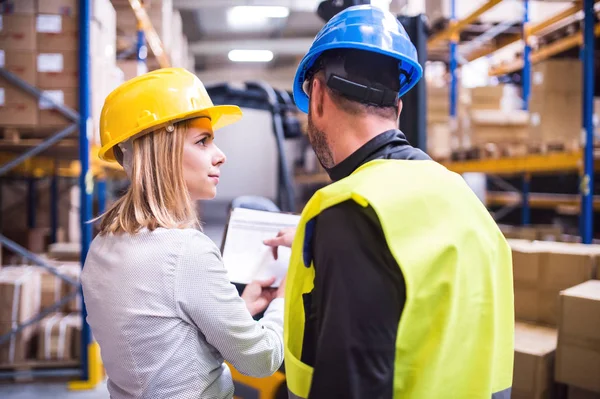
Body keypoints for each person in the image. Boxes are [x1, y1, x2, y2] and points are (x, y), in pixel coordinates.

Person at [263, 5, 514, 399]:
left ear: (317, 96)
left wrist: (338, 240)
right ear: (396, 107)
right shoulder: (463, 198)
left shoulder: (351, 212)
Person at [81, 68, 285, 399]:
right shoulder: (185, 251)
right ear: (164, 152)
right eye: (203, 141)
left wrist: (237, 312)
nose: (221, 155)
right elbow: (261, 361)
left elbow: (167, 346)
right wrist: (283, 303)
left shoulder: (102, 245)